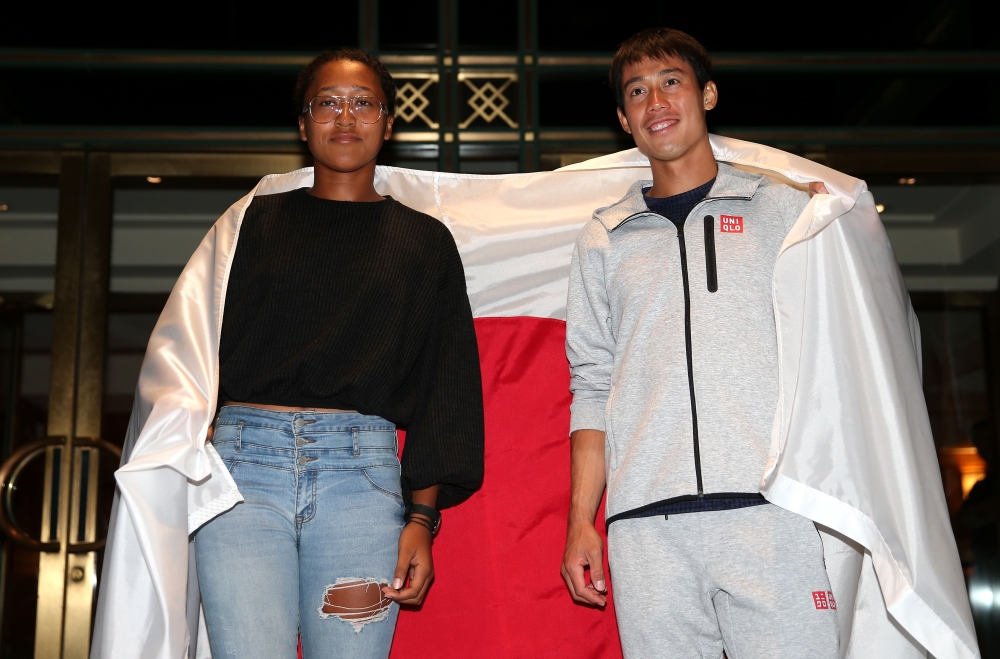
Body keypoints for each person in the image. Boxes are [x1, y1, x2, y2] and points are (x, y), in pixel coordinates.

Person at [193, 48, 484, 658]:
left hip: (361, 481)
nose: (345, 117)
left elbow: (445, 387)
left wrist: (422, 521)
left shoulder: (423, 242)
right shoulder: (248, 224)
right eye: (327, 103)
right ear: (302, 125)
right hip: (242, 474)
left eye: (363, 103)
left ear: (388, 121)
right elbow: (190, 349)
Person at [561, 28, 840, 657]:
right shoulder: (604, 237)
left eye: (670, 82)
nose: (655, 100)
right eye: (637, 91)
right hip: (646, 528)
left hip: (772, 512)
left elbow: (841, 351)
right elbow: (592, 384)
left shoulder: (785, 211)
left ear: (707, 94)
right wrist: (582, 519)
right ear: (623, 118)